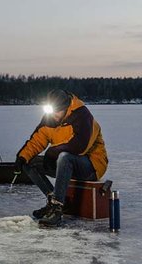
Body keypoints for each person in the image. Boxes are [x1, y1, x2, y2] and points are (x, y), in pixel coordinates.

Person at [15, 89, 108, 227]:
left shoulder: (82, 115)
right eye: (53, 111)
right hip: (64, 164)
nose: (55, 115)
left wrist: (53, 152)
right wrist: (22, 158)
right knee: (30, 162)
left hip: (91, 166)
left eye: (58, 111)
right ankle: (52, 201)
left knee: (65, 157)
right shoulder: (49, 119)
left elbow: (80, 146)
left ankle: (57, 208)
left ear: (66, 108)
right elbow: (37, 140)